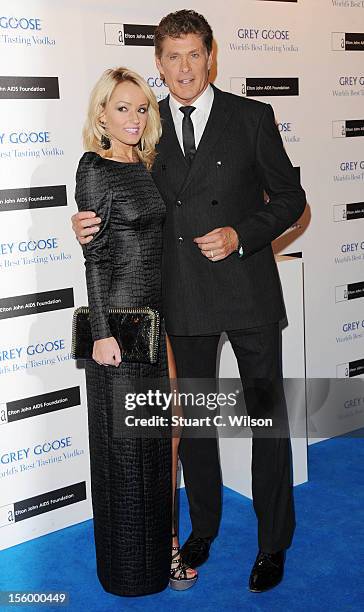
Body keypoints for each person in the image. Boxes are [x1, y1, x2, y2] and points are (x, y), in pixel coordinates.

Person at [72, 10, 306, 593]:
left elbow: (291, 199)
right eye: (172, 57)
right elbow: (123, 197)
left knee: (267, 423)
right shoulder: (145, 136)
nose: (183, 68)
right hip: (184, 300)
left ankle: (273, 542)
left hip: (248, 292)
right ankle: (202, 527)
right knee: (196, 427)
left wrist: (242, 234)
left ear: (211, 57)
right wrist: (86, 225)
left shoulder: (252, 116)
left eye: (194, 55)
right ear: (158, 64)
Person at [74, 66, 197, 596]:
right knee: (127, 448)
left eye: (141, 108)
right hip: (119, 332)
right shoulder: (95, 168)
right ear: (102, 113)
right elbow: (94, 260)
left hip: (155, 321)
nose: (132, 117)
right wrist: (101, 332)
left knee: (161, 439)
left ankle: (165, 546)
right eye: (121, 108)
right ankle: (131, 567)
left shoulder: (144, 165)